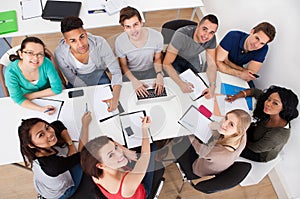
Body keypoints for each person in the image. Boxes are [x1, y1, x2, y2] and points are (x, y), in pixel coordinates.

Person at [54, 16, 122, 111]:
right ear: (66, 42)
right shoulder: (59, 53)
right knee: (78, 108)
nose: (81, 44)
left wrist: (115, 97)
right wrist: (89, 96)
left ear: (85, 33)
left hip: (98, 74)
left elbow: (116, 72)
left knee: (112, 106)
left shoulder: (100, 42)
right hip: (77, 78)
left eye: (82, 37)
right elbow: (72, 77)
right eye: (73, 41)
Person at [18, 111, 92, 199]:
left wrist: (71, 146)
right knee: (84, 162)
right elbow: (82, 155)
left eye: (47, 127)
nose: (49, 133)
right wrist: (85, 126)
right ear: (31, 144)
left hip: (44, 186)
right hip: (61, 193)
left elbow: (58, 124)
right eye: (41, 135)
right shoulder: (53, 165)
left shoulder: (31, 149)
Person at [80, 116, 151, 199]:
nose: (119, 153)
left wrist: (125, 150)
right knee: (154, 147)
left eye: (116, 148)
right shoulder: (126, 185)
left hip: (125, 180)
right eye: (110, 155)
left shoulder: (95, 173)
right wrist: (145, 129)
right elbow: (145, 156)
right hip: (141, 191)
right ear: (100, 165)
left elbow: (109, 141)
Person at [226, 85, 299, 162]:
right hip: (254, 134)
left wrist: (235, 136)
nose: (268, 103)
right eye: (269, 99)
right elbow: (255, 92)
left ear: (284, 108)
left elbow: (255, 148)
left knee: (225, 141)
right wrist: (236, 97)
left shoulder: (277, 135)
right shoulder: (273, 112)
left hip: (257, 153)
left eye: (275, 103)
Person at [163, 14, 219, 98]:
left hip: (192, 57)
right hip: (176, 57)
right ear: (198, 26)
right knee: (175, 86)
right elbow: (166, 63)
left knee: (198, 82)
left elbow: (211, 64)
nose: (206, 36)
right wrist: (180, 83)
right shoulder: (181, 34)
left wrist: (212, 86)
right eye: (204, 29)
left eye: (211, 32)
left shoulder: (212, 39)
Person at [4, 37, 63, 114]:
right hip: (27, 104)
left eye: (40, 54)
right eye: (30, 53)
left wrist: (30, 96)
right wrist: (41, 109)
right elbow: (18, 99)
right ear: (21, 54)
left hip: (49, 97)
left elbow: (57, 88)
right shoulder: (11, 72)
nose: (35, 58)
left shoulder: (46, 63)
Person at [115, 6, 164, 97]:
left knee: (158, 94)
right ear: (123, 28)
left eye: (135, 24)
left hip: (151, 70)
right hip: (131, 73)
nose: (133, 31)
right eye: (128, 27)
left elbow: (157, 59)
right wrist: (134, 81)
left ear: (141, 22)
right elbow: (124, 66)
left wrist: (159, 74)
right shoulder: (119, 42)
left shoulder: (157, 36)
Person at [188, 109, 251, 177]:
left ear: (238, 132)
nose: (224, 123)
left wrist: (188, 131)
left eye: (231, 124)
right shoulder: (243, 135)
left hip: (198, 168)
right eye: (226, 118)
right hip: (215, 160)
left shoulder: (216, 152)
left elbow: (197, 146)